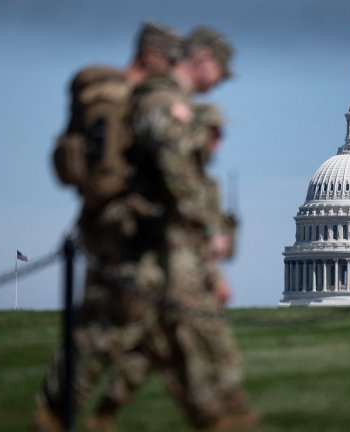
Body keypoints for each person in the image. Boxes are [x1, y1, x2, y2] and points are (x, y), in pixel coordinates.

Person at [84, 27, 257, 431]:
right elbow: (179, 197)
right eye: (215, 131)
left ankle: (218, 416)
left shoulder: (205, 176)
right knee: (129, 342)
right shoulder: (167, 113)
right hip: (165, 263)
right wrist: (210, 257)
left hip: (175, 264)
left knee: (157, 351)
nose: (220, 140)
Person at [34, 21, 185, 432]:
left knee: (100, 322)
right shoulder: (135, 101)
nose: (172, 69)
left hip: (93, 217)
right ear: (153, 55)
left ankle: (76, 412)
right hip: (126, 225)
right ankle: (62, 413)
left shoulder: (91, 91)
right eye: (170, 59)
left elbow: (68, 160)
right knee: (120, 326)